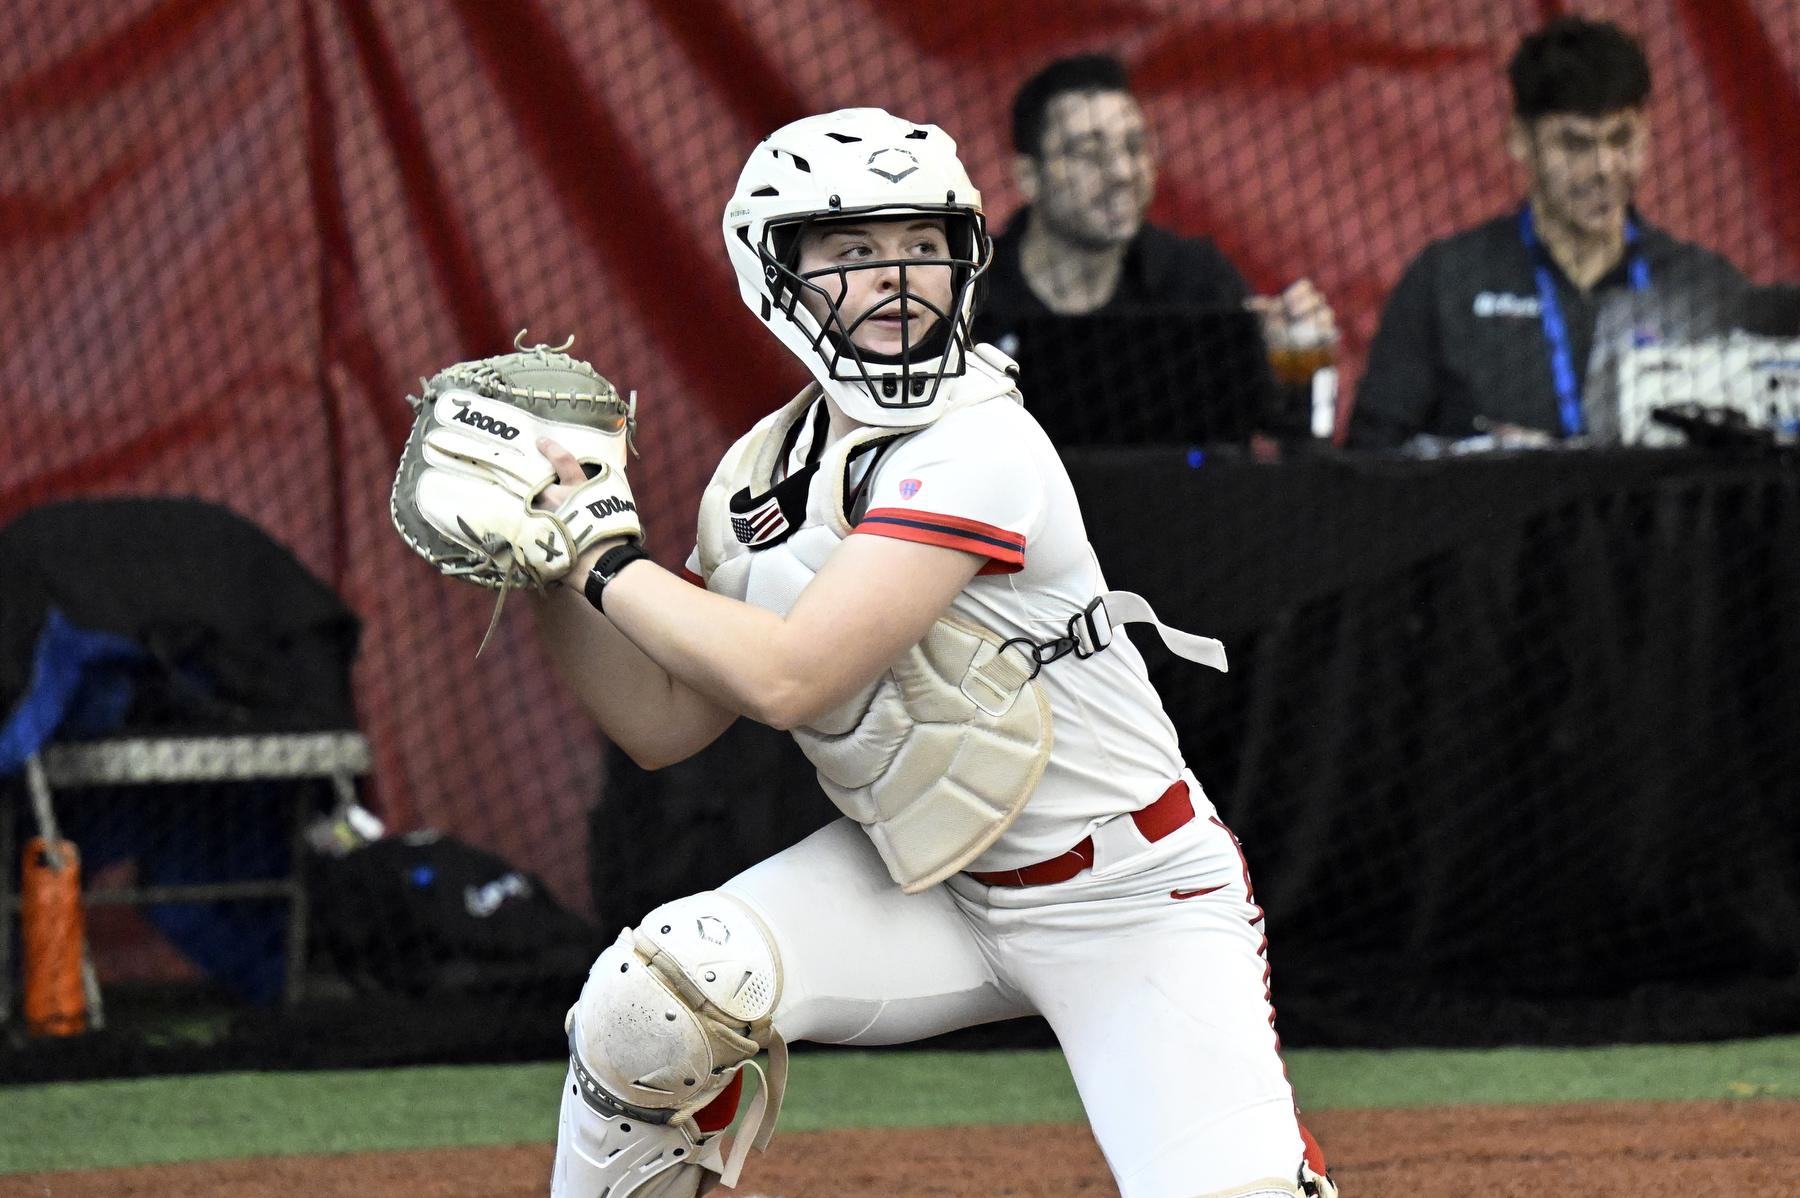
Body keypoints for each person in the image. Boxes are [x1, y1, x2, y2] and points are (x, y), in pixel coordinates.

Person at [528, 109, 1335, 1198]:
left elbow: (789, 676)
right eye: (853, 253)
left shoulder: (983, 439)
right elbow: (663, 725)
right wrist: (538, 559)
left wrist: (602, 560)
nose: (896, 276)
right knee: (658, 992)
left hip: (1127, 893)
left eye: (919, 244)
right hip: (927, 883)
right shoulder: (759, 471)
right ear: (775, 272)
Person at [1350, 17, 1751, 451]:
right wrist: (1483, 464)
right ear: (1520, 141)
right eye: (1575, 145)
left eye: (1621, 140)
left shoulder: (1704, 287)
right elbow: (1369, 459)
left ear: (1648, 134)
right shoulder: (1447, 281)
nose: (1603, 168)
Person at [973, 54, 1336, 385]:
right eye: (1090, 152)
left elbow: (1279, 432)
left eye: (1134, 147)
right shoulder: (973, 298)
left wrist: (1284, 358)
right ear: (1029, 177)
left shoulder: (1196, 284)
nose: (1123, 171)